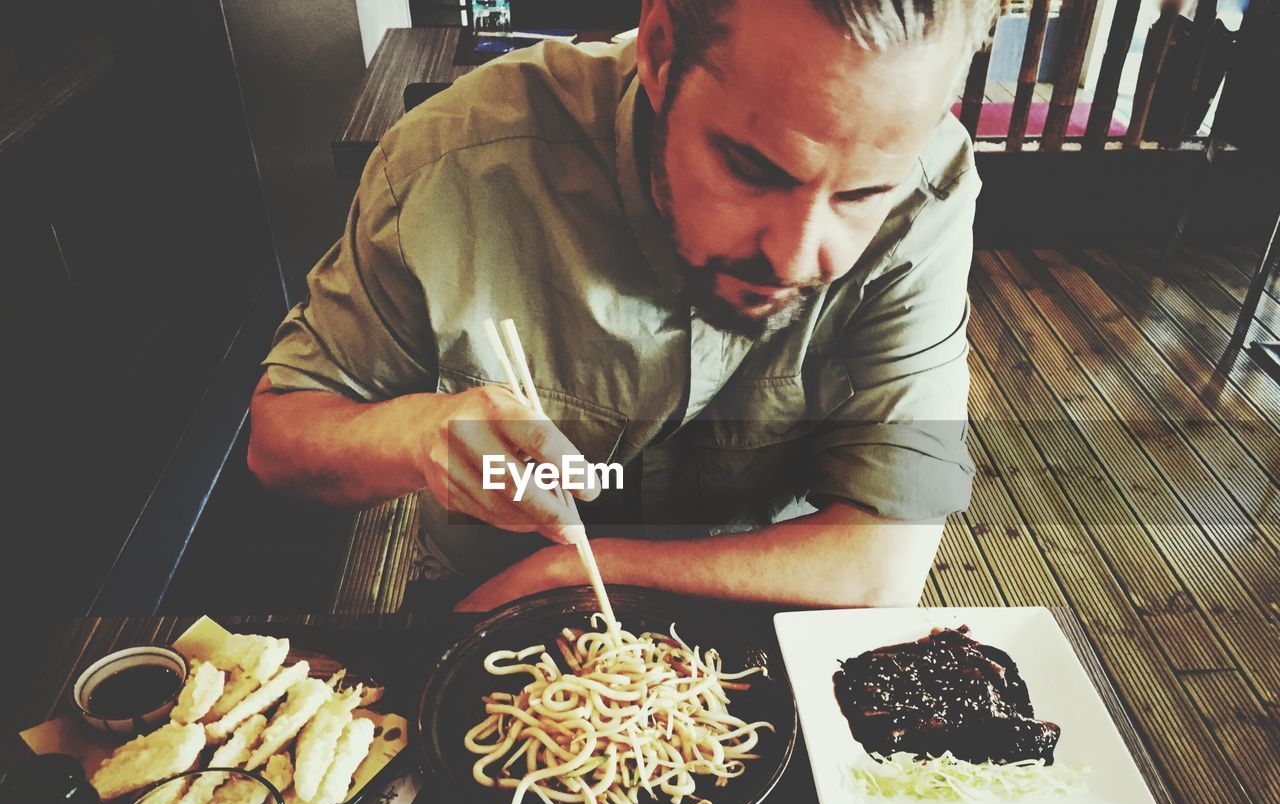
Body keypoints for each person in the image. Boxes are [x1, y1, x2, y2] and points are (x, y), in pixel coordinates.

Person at [247, 0, 993, 612]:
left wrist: (577, 573)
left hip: (771, 613)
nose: (797, 258)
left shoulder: (928, 187)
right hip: (481, 619)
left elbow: (881, 561)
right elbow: (279, 442)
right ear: (663, 52)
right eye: (751, 169)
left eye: (861, 194)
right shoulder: (452, 165)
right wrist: (418, 435)